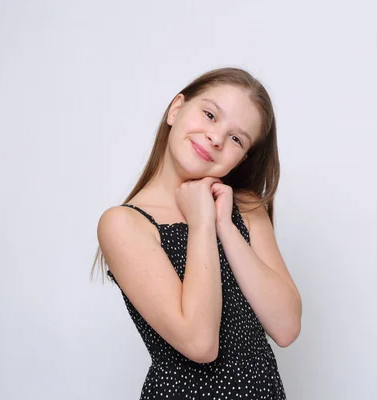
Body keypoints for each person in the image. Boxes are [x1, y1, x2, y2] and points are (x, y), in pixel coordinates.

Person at [94, 67, 302, 399]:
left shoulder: (244, 208)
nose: (216, 138)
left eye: (236, 138)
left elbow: (287, 326)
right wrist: (202, 223)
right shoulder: (125, 224)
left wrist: (224, 226)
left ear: (241, 158)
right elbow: (200, 342)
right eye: (209, 115)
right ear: (176, 109)